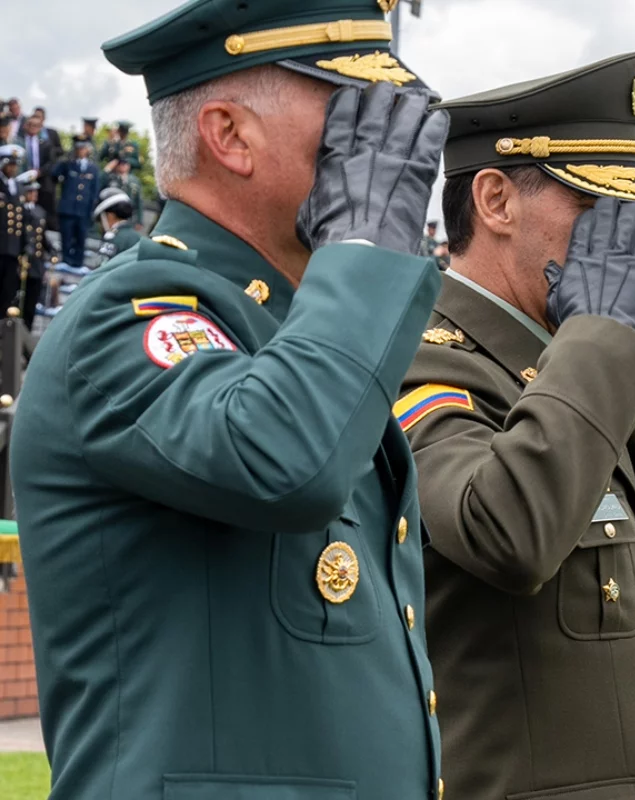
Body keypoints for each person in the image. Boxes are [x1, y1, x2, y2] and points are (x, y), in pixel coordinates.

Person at [11, 0, 450, 796]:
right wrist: (366, 246)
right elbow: (288, 461)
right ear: (231, 136)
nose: (389, 151)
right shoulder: (128, 318)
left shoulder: (294, 331)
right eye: (355, 120)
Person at [396, 53, 635, 799]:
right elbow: (507, 532)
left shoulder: (566, 362)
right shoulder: (423, 358)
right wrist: (597, 333)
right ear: (495, 201)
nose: (628, 253)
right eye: (602, 217)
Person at [52, 139, 102, 266]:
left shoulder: (93, 168)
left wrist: (92, 210)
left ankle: (77, 263)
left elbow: (94, 192)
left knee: (81, 239)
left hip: (83, 210)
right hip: (68, 209)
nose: (80, 151)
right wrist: (64, 160)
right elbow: (54, 175)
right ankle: (66, 260)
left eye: (83, 148)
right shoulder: (68, 164)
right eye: (78, 148)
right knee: (66, 238)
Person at [16, 179, 53, 328]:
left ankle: (27, 330)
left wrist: (51, 249)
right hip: (21, 261)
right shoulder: (18, 209)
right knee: (16, 299)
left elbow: (41, 236)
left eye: (35, 191)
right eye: (31, 191)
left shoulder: (39, 211)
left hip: (36, 263)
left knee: (31, 301)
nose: (34, 194)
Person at [20, 115, 60, 231]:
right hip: (24, 179)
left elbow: (51, 162)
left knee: (44, 210)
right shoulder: (20, 141)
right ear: (26, 126)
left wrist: (40, 172)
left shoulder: (46, 143)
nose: (33, 128)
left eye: (36, 126)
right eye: (31, 125)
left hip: (42, 180)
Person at [0, 145, 25, 308]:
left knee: (7, 290)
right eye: (10, 165)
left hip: (12, 247)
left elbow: (21, 221)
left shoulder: (17, 187)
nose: (13, 168)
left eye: (15, 165)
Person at [92, 188, 142, 262]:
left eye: (100, 219)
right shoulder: (137, 237)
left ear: (110, 216)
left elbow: (102, 268)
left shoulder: (111, 237)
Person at [104, 157, 143, 225]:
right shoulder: (111, 178)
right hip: (114, 214)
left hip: (129, 215)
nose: (123, 166)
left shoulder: (134, 180)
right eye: (121, 164)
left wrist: (139, 220)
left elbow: (138, 201)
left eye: (125, 164)